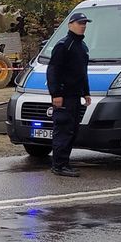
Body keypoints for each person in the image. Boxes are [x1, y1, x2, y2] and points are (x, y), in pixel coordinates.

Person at [45, 12, 91, 177]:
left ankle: (65, 162)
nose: (83, 26)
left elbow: (82, 73)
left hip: (75, 96)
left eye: (85, 23)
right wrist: (56, 94)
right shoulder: (63, 45)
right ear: (71, 24)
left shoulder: (82, 47)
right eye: (80, 23)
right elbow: (53, 70)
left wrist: (86, 93)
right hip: (63, 96)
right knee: (63, 130)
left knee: (72, 130)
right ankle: (58, 165)